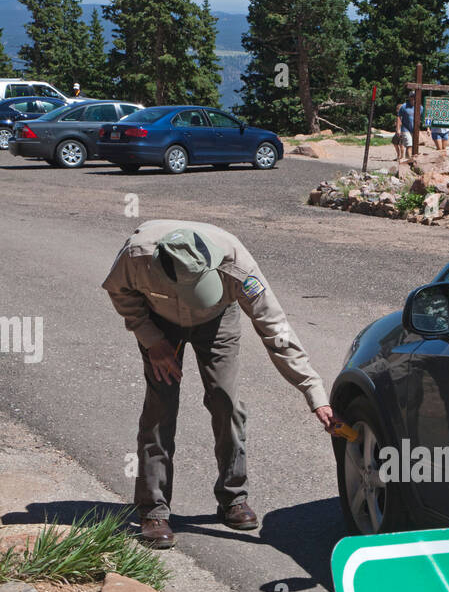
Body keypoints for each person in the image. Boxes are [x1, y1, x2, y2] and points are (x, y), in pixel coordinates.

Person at [103, 220, 339, 549]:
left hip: (217, 319)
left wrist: (314, 393)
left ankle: (232, 497)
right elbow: (119, 292)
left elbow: (276, 329)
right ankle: (153, 510)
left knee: (226, 402)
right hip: (159, 322)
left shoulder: (237, 267)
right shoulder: (137, 255)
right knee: (160, 407)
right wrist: (150, 338)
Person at [394, 90, 417, 162]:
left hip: (415, 129)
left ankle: (408, 160)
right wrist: (398, 129)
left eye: (415, 96)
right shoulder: (404, 106)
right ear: (409, 97)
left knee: (413, 146)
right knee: (409, 145)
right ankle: (410, 161)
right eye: (412, 96)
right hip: (405, 129)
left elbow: (423, 118)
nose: (413, 98)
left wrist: (428, 128)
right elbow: (398, 117)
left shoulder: (420, 107)